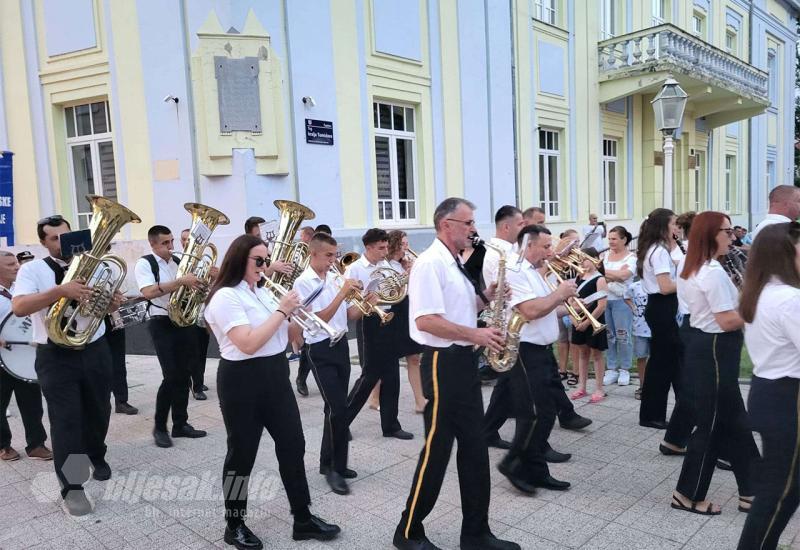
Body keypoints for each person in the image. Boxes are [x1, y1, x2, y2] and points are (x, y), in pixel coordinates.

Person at [393, 197, 519, 550]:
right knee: (437, 450)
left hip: (461, 363)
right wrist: (476, 334)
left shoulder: (453, 263)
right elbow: (426, 321)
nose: (473, 229)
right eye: (468, 223)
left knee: (475, 449)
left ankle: (476, 533)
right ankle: (407, 531)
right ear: (447, 225)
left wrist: (487, 298)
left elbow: (458, 310)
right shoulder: (430, 263)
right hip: (441, 362)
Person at [204, 234, 340, 549]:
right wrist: (281, 311)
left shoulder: (262, 293)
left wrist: (299, 319)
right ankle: (234, 523)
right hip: (241, 379)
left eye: (267, 260)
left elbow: (287, 336)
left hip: (276, 373)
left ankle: (303, 518)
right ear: (239, 260)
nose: (265, 267)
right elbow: (248, 342)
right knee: (242, 454)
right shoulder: (225, 297)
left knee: (293, 444)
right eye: (259, 261)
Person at [12, 215, 121, 515]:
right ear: (44, 243)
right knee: (66, 421)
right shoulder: (32, 269)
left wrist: (112, 303)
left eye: (67, 235)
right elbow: (19, 307)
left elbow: (105, 304)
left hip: (95, 347)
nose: (63, 242)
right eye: (55, 238)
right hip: (55, 355)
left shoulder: (97, 265)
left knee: (100, 409)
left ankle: (96, 455)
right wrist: (61, 291)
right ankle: (73, 487)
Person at [671, 212, 756, 516]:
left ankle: (752, 490)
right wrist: (759, 306)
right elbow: (727, 320)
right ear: (709, 234)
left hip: (706, 346)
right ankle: (688, 494)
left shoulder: (692, 265)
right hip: (718, 348)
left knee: (735, 422)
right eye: (726, 231)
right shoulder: (712, 272)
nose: (732, 237)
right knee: (714, 425)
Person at [498, 224, 577, 496]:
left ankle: (537, 471)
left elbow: (544, 309)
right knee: (532, 414)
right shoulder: (516, 270)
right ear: (528, 245)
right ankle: (512, 463)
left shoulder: (534, 271)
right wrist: (559, 294)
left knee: (546, 412)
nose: (550, 251)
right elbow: (529, 310)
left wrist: (568, 308)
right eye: (545, 246)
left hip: (542, 349)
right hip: (524, 349)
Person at [738, 222, 800, 548]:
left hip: (767, 393)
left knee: (781, 488)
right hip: (787, 399)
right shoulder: (789, 298)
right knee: (780, 492)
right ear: (784, 255)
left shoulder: (762, 291)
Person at [294, 232, 363, 495]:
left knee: (332, 409)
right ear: (313, 254)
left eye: (335, 255)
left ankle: (329, 463)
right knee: (338, 408)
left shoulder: (335, 278)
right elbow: (317, 318)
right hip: (319, 348)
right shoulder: (303, 282)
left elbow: (347, 315)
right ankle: (336, 468)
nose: (334, 261)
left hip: (341, 345)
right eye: (328, 256)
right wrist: (342, 293)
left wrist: (366, 303)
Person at [135, 225, 208, 448]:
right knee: (171, 375)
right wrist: (180, 282)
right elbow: (147, 292)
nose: (171, 247)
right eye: (165, 243)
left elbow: (189, 289)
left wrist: (202, 285)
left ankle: (180, 423)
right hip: (161, 322)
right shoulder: (145, 263)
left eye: (171, 241)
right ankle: (159, 427)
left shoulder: (177, 261)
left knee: (185, 373)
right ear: (153, 244)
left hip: (183, 320)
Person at [344, 228, 412, 440]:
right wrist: (367, 299)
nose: (385, 252)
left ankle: (391, 425)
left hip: (390, 321)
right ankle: (341, 421)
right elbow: (348, 305)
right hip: (369, 322)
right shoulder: (354, 269)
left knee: (392, 376)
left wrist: (405, 277)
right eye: (381, 248)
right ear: (369, 247)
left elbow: (398, 292)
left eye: (386, 247)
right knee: (369, 377)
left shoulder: (387, 265)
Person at [636, 209, 691, 434]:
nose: (677, 228)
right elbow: (666, 286)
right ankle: (652, 415)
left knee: (672, 360)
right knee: (662, 364)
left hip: (661, 307)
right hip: (661, 306)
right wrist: (689, 282)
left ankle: (683, 407)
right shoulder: (658, 252)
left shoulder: (658, 249)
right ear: (663, 226)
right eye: (674, 224)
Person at [481, 206, 526, 450]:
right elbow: (511, 286)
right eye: (521, 224)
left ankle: (487, 430)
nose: (524, 229)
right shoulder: (498, 253)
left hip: (512, 320)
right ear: (506, 226)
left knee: (508, 383)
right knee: (515, 383)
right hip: (508, 321)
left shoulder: (510, 251)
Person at [0, 251, 52, 462]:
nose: (16, 266)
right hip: (1, 360)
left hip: (25, 358)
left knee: (32, 403)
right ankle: (3, 446)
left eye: (16, 263)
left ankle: (36, 444)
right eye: (10, 264)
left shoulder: (23, 289)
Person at [368, 230, 426, 414]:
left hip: (408, 308)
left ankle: (419, 400)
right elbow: (389, 291)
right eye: (403, 244)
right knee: (388, 360)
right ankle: (374, 396)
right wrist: (408, 275)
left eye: (407, 243)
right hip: (395, 311)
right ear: (395, 245)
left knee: (414, 357)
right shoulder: (387, 265)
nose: (407, 247)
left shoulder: (404, 263)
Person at [568, 248, 608, 403]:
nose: (583, 262)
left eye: (586, 259)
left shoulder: (600, 279)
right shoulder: (578, 277)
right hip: (578, 321)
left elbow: (601, 305)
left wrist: (586, 322)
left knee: (597, 355)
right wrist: (574, 320)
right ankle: (582, 387)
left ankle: (599, 389)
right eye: (581, 259)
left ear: (595, 259)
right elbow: (571, 301)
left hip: (593, 321)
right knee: (582, 354)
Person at [602, 226, 636, 386]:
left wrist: (606, 273)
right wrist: (612, 276)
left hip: (622, 301)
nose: (611, 242)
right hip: (605, 300)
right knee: (609, 335)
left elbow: (624, 276)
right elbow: (598, 275)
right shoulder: (605, 256)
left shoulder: (631, 258)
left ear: (624, 239)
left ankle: (624, 368)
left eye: (614, 239)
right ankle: (612, 368)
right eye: (609, 239)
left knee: (623, 335)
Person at [180, 228, 211, 401]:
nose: (186, 242)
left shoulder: (202, 262)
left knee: (202, 349)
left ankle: (199, 380)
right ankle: (196, 386)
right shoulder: (177, 261)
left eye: (189, 239)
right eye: (183, 239)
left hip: (199, 309)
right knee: (191, 351)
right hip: (183, 310)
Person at [629, 279, 650, 401]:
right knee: (641, 357)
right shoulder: (635, 286)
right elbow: (626, 296)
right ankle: (642, 385)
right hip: (640, 328)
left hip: (656, 328)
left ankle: (653, 386)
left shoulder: (659, 284)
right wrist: (633, 307)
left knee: (657, 359)